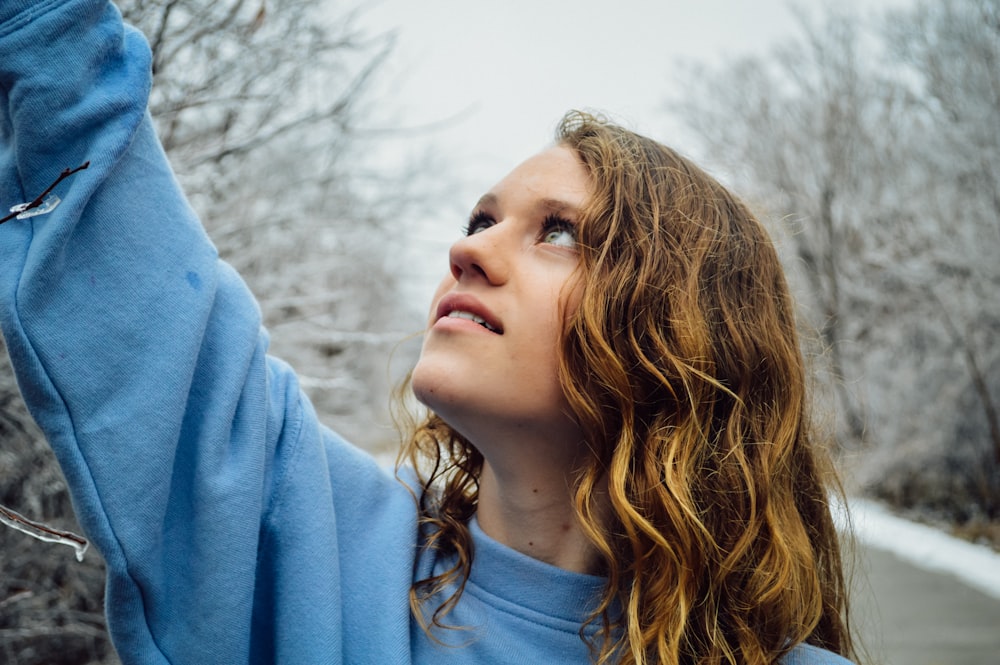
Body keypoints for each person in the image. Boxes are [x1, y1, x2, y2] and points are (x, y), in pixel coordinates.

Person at [0, 1, 856, 664]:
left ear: (682, 335)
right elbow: (142, 288)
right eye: (480, 217)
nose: (468, 248)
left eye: (556, 230)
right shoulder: (319, 547)